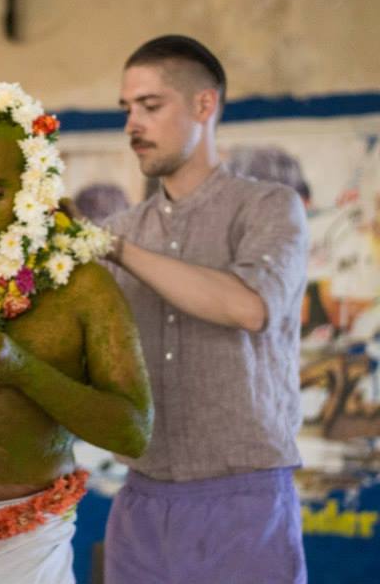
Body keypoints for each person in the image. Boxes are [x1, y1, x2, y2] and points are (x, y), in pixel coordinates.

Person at [0, 84, 152, 583]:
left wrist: (24, 371)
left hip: (26, 545)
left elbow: (133, 432)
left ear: (34, 189)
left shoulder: (83, 287)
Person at [104, 35, 308, 584]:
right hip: (141, 501)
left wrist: (119, 253)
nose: (132, 125)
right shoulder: (118, 231)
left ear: (204, 105)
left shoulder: (269, 207)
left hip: (243, 498)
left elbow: (248, 308)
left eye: (150, 106)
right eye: (127, 109)